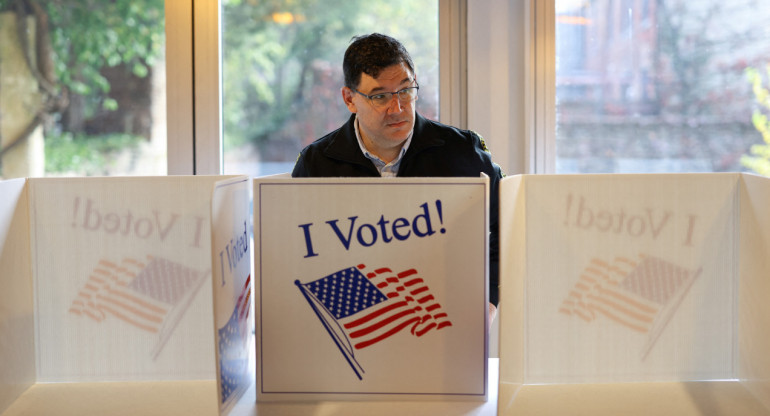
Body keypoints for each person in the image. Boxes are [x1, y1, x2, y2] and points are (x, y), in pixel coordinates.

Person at [291, 33, 503, 322]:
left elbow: (508, 227)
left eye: (405, 90)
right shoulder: (317, 164)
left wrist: (488, 299)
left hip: (446, 318)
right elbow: (299, 256)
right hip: (356, 324)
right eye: (380, 96)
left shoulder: (462, 152)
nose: (398, 108)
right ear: (350, 99)